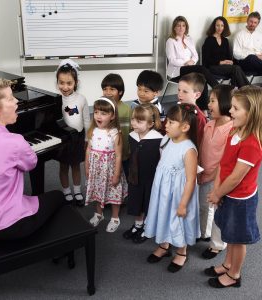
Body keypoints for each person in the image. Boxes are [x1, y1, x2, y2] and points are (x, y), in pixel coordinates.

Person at [0, 77, 65, 240]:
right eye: (10, 98)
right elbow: (31, 164)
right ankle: (60, 246)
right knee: (58, 196)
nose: (17, 101)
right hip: (8, 226)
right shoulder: (14, 142)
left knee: (26, 197)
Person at [205, 86, 262, 288]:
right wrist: (217, 189)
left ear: (251, 113)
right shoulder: (235, 130)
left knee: (238, 238)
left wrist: (217, 193)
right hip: (226, 192)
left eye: (235, 108)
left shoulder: (252, 143)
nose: (230, 111)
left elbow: (236, 178)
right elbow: (224, 163)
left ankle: (234, 275)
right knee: (230, 233)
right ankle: (227, 264)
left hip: (240, 199)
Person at [144, 103, 200, 273]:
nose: (165, 125)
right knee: (163, 215)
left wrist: (183, 204)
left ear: (185, 127)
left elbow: (190, 180)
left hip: (178, 194)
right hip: (163, 190)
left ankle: (182, 252)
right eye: (166, 121)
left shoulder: (189, 149)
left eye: (170, 122)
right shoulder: (166, 140)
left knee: (178, 221)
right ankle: (164, 244)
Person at [198, 85, 234, 259]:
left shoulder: (231, 129)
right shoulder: (209, 124)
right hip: (204, 173)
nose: (209, 104)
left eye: (213, 100)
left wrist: (212, 176)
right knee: (204, 206)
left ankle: (217, 245)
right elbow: (202, 148)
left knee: (218, 210)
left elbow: (226, 159)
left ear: (226, 103)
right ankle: (205, 233)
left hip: (219, 176)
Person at [85, 97, 127, 233]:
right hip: (96, 170)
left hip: (110, 170)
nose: (98, 116)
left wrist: (116, 174)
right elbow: (88, 151)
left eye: (103, 113)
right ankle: (99, 214)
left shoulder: (115, 134)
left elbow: (119, 155)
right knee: (97, 192)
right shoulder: (92, 131)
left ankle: (115, 218)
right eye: (96, 112)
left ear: (113, 116)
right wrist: (87, 167)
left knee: (114, 194)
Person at [123, 104, 163, 243]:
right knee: (136, 202)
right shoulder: (132, 135)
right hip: (135, 177)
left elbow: (162, 160)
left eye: (139, 121)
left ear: (151, 123)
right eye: (133, 119)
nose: (134, 123)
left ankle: (147, 227)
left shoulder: (159, 139)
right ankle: (138, 225)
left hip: (151, 178)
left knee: (148, 203)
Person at [55, 59, 90, 206]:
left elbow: (87, 120)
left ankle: (77, 190)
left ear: (76, 82)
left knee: (76, 165)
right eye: (61, 82)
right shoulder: (56, 100)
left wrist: (87, 139)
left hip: (78, 137)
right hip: (64, 138)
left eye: (69, 83)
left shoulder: (81, 99)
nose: (65, 86)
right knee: (63, 166)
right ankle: (66, 191)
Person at [166, 16, 219, 111]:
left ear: (186, 27)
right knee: (201, 69)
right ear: (174, 27)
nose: (181, 28)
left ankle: (204, 111)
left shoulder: (189, 39)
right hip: (177, 71)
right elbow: (172, 59)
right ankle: (219, 89)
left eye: (183, 25)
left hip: (190, 68)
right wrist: (186, 63)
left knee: (202, 79)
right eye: (178, 26)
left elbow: (196, 55)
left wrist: (192, 62)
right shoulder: (171, 41)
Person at [233, 11, 262, 111]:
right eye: (251, 21)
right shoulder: (239, 35)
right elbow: (236, 53)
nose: (252, 24)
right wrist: (254, 56)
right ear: (247, 21)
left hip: (259, 64)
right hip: (245, 63)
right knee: (252, 57)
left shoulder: (260, 36)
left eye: (255, 22)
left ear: (258, 24)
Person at [202, 16, 250, 88]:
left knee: (236, 70)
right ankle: (249, 91)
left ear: (225, 27)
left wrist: (230, 61)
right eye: (217, 25)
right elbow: (206, 60)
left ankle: (235, 94)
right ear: (214, 26)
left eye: (222, 26)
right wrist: (220, 62)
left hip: (224, 67)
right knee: (236, 69)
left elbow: (228, 57)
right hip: (213, 67)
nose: (220, 28)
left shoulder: (225, 40)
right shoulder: (209, 40)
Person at [101, 73, 131, 178]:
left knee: (125, 177)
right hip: (106, 152)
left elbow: (130, 131)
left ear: (120, 91)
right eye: (105, 89)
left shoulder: (127, 109)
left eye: (112, 89)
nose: (107, 92)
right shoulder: (101, 109)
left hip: (124, 152)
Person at [177, 72, 207, 146]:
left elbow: (199, 141)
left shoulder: (199, 117)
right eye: (179, 90)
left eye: (185, 91)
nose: (180, 94)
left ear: (197, 95)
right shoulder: (176, 109)